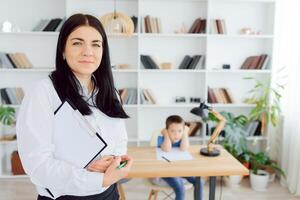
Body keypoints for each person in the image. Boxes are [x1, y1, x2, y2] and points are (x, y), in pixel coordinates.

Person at [16, 13, 133, 200]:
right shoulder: (43, 92)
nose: (88, 51)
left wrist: (118, 163)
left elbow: (120, 144)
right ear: (62, 50)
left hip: (109, 193)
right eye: (78, 43)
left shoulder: (110, 92)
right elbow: (37, 165)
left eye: (96, 44)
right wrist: (95, 178)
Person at [157, 115, 203, 200]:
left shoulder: (182, 140)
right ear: (167, 131)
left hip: (181, 169)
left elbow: (184, 148)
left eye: (179, 131)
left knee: (199, 181)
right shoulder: (162, 139)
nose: (176, 134)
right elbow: (167, 149)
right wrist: (166, 135)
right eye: (172, 131)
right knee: (180, 187)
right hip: (166, 171)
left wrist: (185, 133)